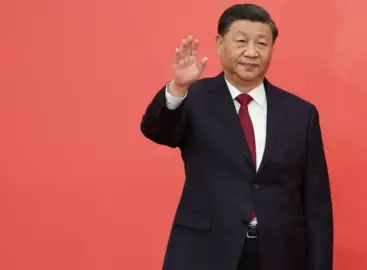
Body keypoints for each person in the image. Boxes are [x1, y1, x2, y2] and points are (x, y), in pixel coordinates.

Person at [140, 3, 333, 270]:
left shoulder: (301, 113)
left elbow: (317, 205)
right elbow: (157, 130)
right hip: (206, 253)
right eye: (241, 41)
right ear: (220, 44)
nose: (252, 53)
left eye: (262, 44)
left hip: (280, 255)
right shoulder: (194, 99)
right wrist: (178, 88)